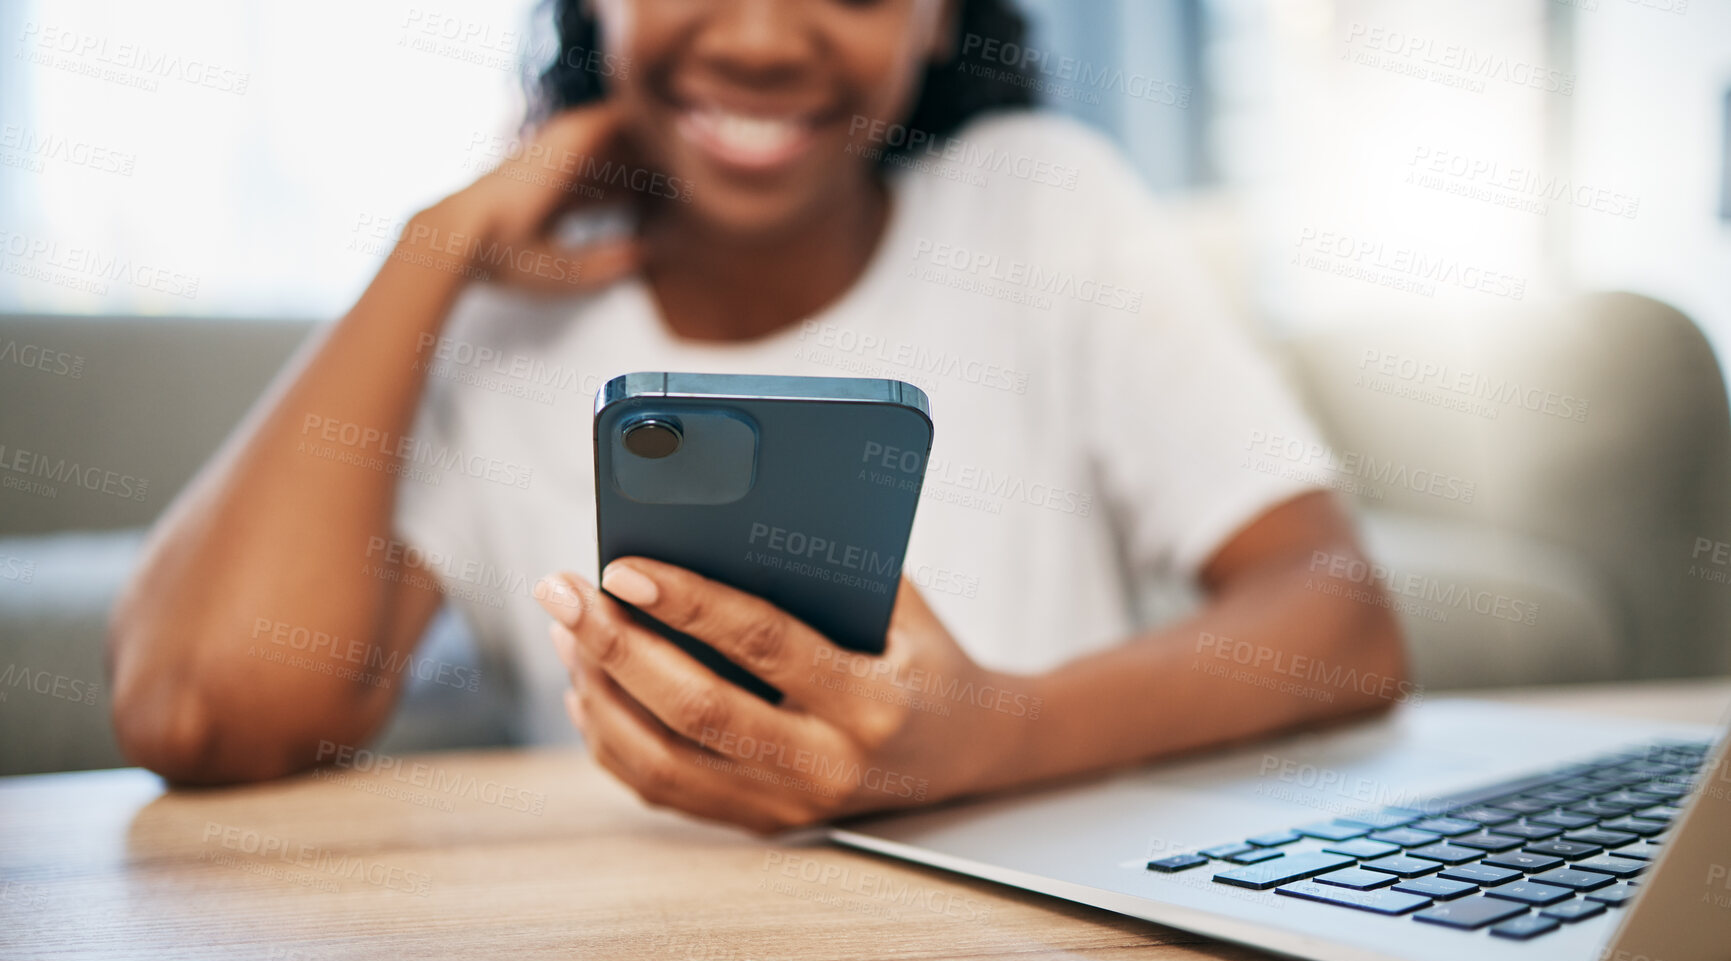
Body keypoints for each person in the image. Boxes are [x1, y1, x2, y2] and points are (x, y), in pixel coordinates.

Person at [109, 0, 1407, 833]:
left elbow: (1339, 619)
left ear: (943, 15)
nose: (767, 37)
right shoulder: (502, 323)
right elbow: (197, 713)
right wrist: (429, 248)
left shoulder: (1040, 206)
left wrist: (996, 735)